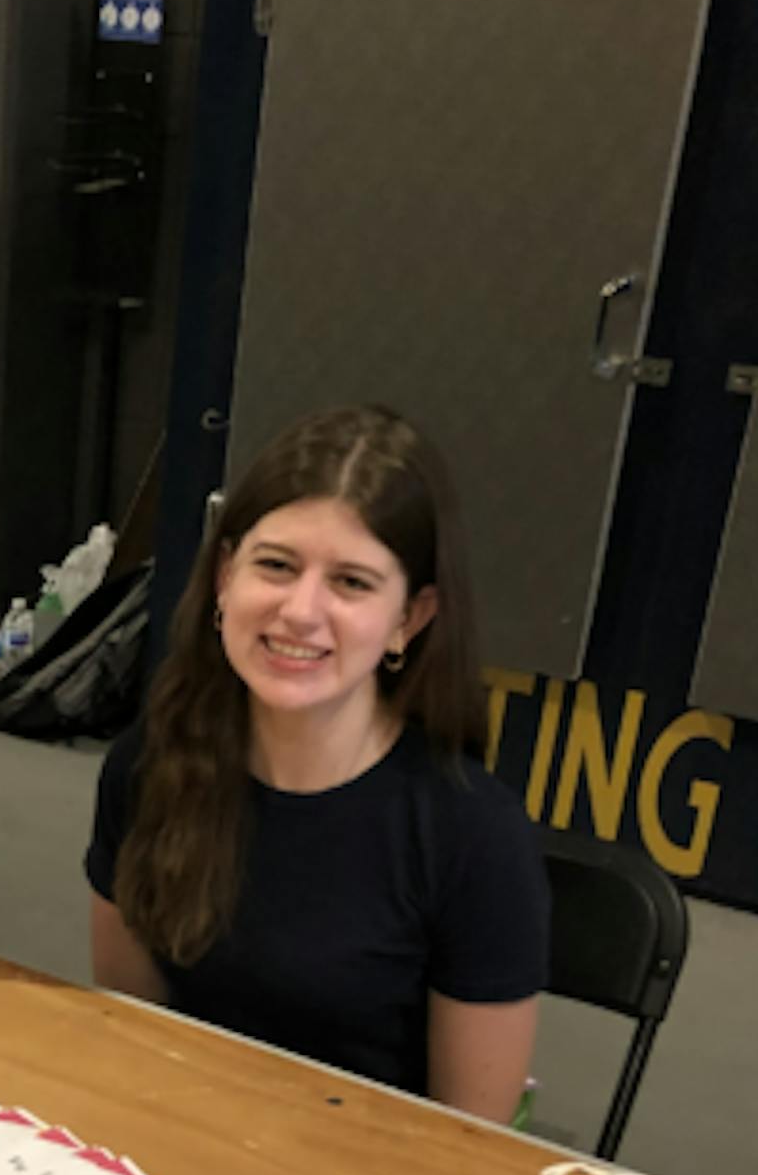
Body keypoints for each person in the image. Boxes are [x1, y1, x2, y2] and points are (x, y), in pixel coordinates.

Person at [86, 405, 545, 1123]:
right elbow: (131, 1032)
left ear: (410, 619)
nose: (301, 611)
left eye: (352, 583)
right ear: (223, 578)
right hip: (177, 1149)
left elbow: (469, 1145)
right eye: (276, 565)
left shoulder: (473, 836)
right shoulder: (149, 763)